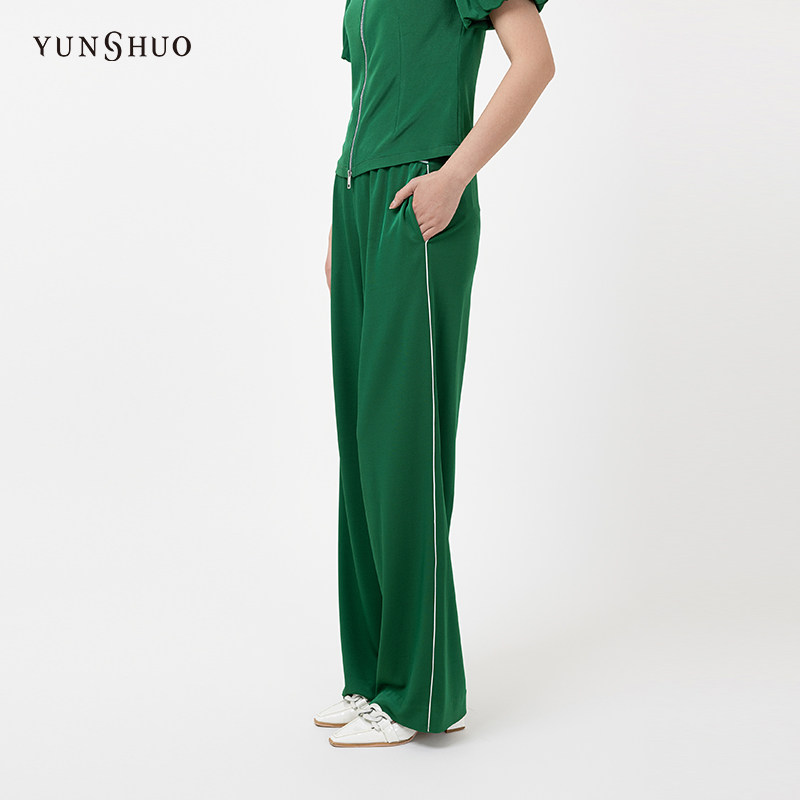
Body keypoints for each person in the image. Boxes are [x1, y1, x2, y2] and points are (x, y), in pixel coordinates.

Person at [317, 0, 556, 748]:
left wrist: (454, 175)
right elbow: (371, 97)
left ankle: (420, 691)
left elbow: (535, 62)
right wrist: (341, 220)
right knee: (362, 448)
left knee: (401, 444)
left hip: (421, 196)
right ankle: (372, 677)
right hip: (359, 203)